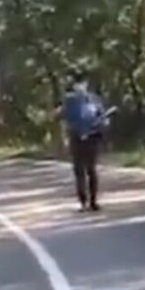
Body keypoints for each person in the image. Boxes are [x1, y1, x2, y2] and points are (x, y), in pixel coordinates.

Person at [61, 69, 106, 212]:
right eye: (78, 83)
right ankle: (83, 201)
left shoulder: (94, 99)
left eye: (83, 83)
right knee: (79, 170)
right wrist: (68, 135)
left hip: (92, 138)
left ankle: (93, 201)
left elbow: (102, 116)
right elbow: (65, 119)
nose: (80, 86)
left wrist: (101, 124)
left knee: (91, 170)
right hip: (76, 138)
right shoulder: (69, 101)